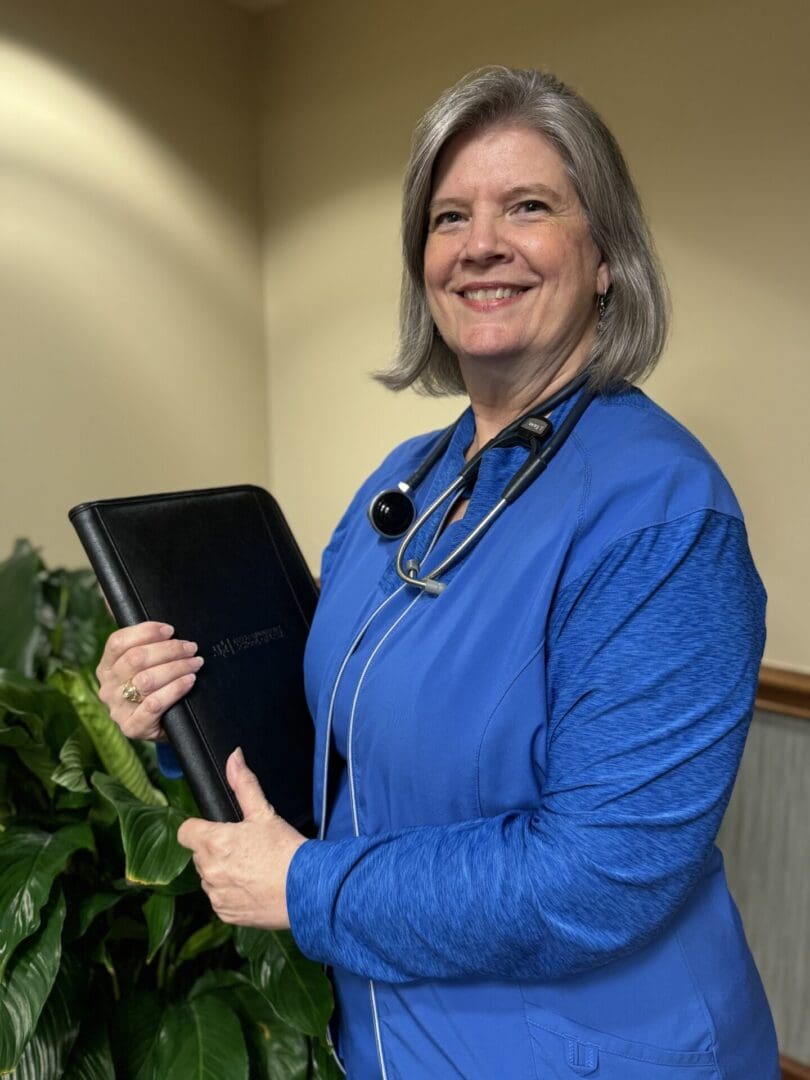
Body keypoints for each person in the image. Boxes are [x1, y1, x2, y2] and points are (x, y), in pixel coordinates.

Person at [96, 67, 779, 1079]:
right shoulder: (400, 487)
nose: (480, 244)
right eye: (448, 216)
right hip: (392, 1039)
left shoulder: (665, 517)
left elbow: (598, 877)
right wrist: (175, 716)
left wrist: (309, 891)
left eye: (529, 206)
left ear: (606, 259)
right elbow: (339, 754)